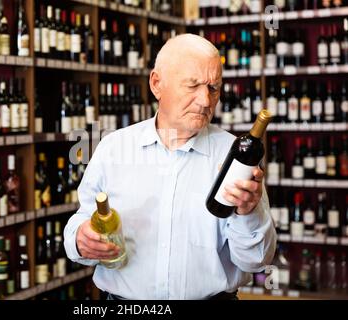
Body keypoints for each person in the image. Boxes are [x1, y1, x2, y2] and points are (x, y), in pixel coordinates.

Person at [63, 34, 277, 300]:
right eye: (193, 85)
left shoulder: (234, 157)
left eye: (213, 88)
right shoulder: (113, 148)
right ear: (156, 84)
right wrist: (79, 240)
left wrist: (248, 212)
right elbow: (80, 223)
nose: (205, 100)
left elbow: (256, 261)